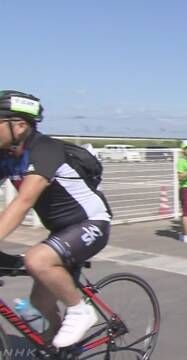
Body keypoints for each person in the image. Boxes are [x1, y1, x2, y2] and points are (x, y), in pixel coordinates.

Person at [0, 90, 111, 348]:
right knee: (40, 305)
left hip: (91, 224)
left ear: (19, 125)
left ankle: (80, 310)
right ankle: (60, 349)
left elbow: (23, 202)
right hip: (61, 232)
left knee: (36, 259)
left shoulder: (45, 149)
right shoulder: (6, 156)